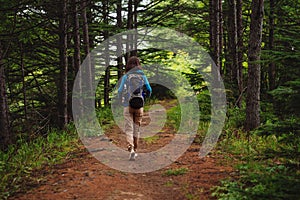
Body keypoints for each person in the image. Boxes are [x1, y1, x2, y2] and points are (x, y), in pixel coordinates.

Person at [118, 56, 152, 161]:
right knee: (136, 128)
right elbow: (149, 89)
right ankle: (135, 150)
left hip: (127, 105)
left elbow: (120, 90)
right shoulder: (142, 75)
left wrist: (122, 100)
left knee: (129, 128)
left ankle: (131, 149)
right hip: (139, 105)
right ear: (138, 64)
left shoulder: (126, 76)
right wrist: (145, 98)